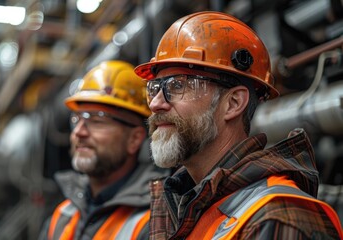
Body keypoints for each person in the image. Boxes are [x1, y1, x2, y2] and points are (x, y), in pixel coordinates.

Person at [134, 11, 343, 239]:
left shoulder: (278, 217)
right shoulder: (183, 208)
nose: (156, 103)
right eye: (154, 88)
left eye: (177, 86)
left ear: (233, 103)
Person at [39, 60, 169, 240]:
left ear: (134, 139)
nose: (79, 132)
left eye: (97, 120)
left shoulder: (154, 222)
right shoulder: (64, 214)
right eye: (77, 119)